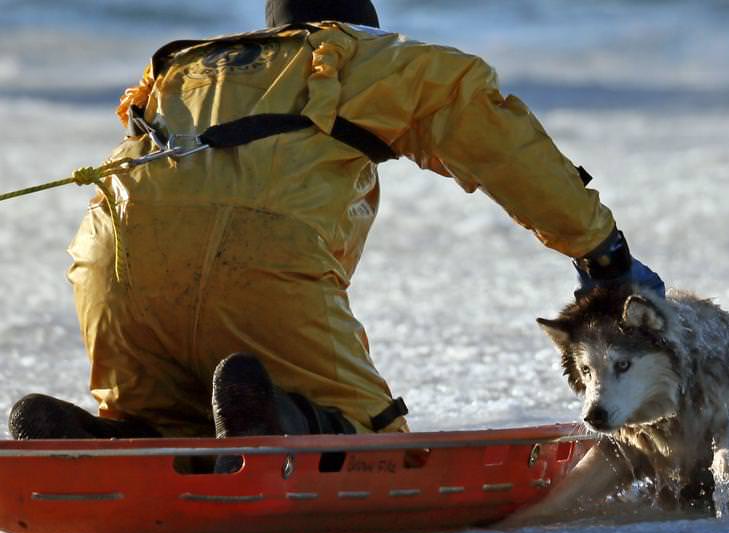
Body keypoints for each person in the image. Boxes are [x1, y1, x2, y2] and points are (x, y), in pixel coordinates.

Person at [8, 0, 664, 442]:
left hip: (112, 269)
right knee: (370, 437)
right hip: (261, 264)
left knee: (166, 406)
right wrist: (600, 250)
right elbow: (496, 139)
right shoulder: (363, 57)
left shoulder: (185, 67)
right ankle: (287, 421)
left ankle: (124, 437)